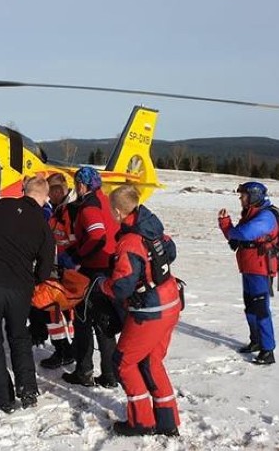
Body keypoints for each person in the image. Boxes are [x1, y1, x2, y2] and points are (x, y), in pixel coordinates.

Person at [97, 185, 182, 436]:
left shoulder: (130, 242)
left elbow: (122, 286)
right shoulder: (152, 228)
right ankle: (167, 420)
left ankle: (141, 421)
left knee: (123, 362)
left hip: (150, 311)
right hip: (171, 301)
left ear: (117, 211)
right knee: (151, 360)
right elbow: (171, 252)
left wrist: (103, 284)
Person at [0, 176, 55, 413]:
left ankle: (3, 398)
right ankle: (28, 389)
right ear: (45, 197)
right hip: (19, 288)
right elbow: (44, 270)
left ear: (24, 190)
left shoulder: (0, 207)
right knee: (19, 337)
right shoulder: (43, 227)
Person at [57, 166, 119, 388]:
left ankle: (84, 371)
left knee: (83, 321)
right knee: (104, 322)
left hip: (93, 270)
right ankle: (110, 374)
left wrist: (77, 256)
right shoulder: (107, 201)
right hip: (110, 268)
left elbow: (97, 236)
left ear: (81, 185)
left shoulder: (88, 208)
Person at [218, 181, 279, 365]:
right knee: (250, 307)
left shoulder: (266, 216)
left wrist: (231, 229)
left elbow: (243, 234)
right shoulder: (252, 213)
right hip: (249, 267)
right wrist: (226, 224)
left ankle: (268, 350)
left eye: (243, 195)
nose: (240, 198)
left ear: (254, 196)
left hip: (260, 268)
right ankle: (256, 341)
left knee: (260, 309)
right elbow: (235, 235)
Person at [36, 172, 78, 369]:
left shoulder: (68, 212)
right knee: (58, 311)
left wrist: (64, 261)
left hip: (64, 269)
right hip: (59, 267)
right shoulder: (57, 210)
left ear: (58, 191)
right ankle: (65, 348)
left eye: (49, 192)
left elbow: (73, 241)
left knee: (53, 310)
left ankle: (64, 349)